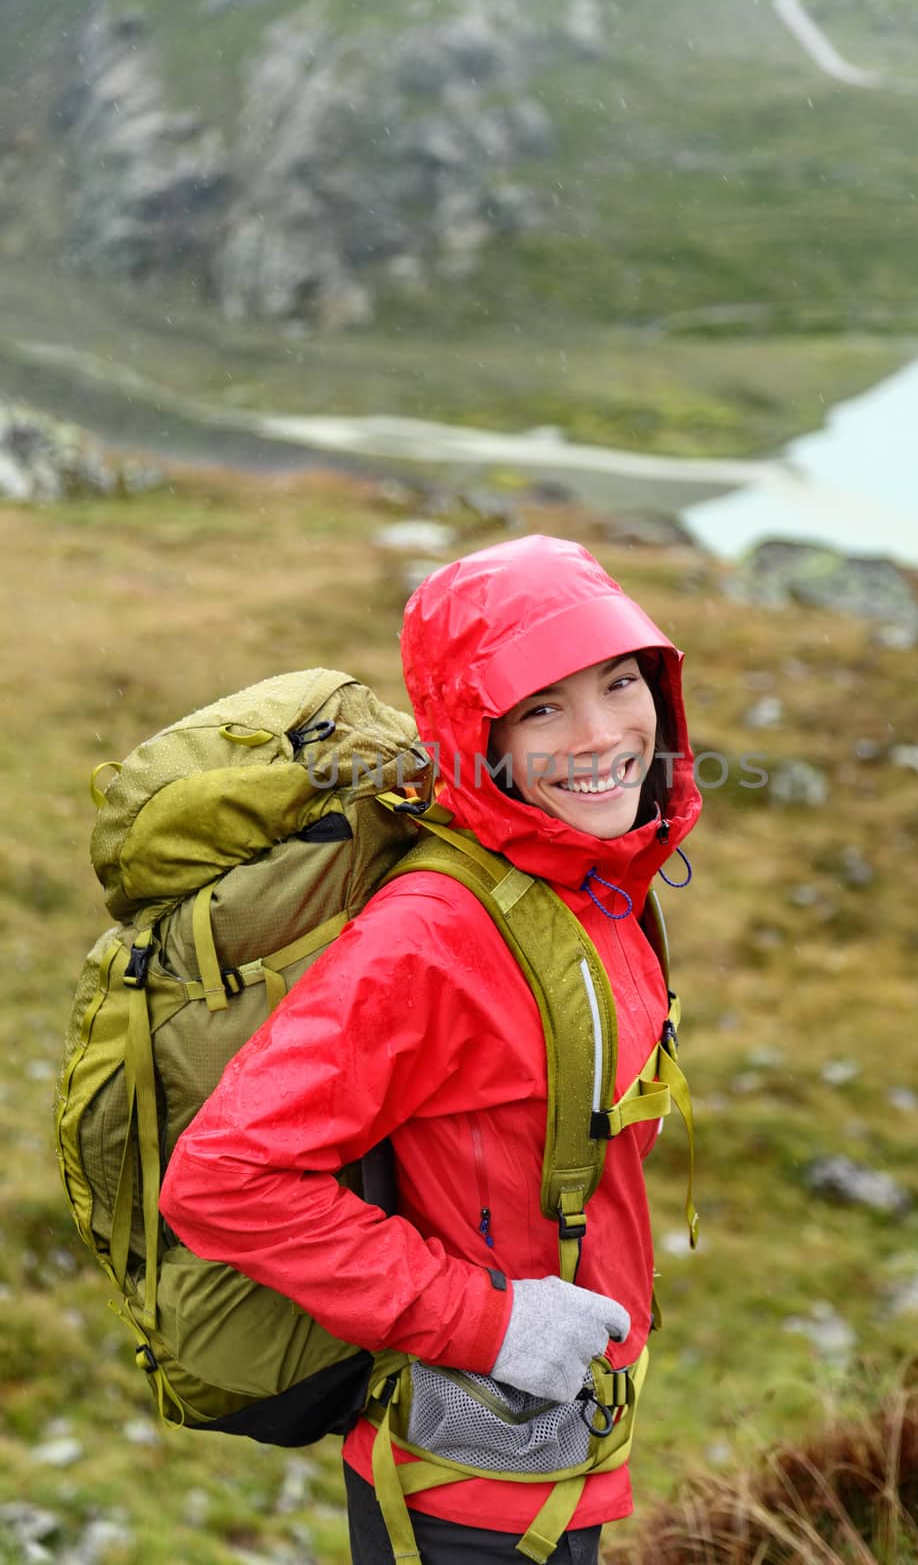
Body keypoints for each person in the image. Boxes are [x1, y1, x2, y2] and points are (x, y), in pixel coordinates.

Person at [159, 533, 701, 1564]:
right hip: (464, 1494)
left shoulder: (590, 880)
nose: (601, 736)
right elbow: (222, 1180)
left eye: (619, 682)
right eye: (540, 707)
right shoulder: (432, 937)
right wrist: (491, 1322)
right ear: (474, 733)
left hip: (550, 1453)